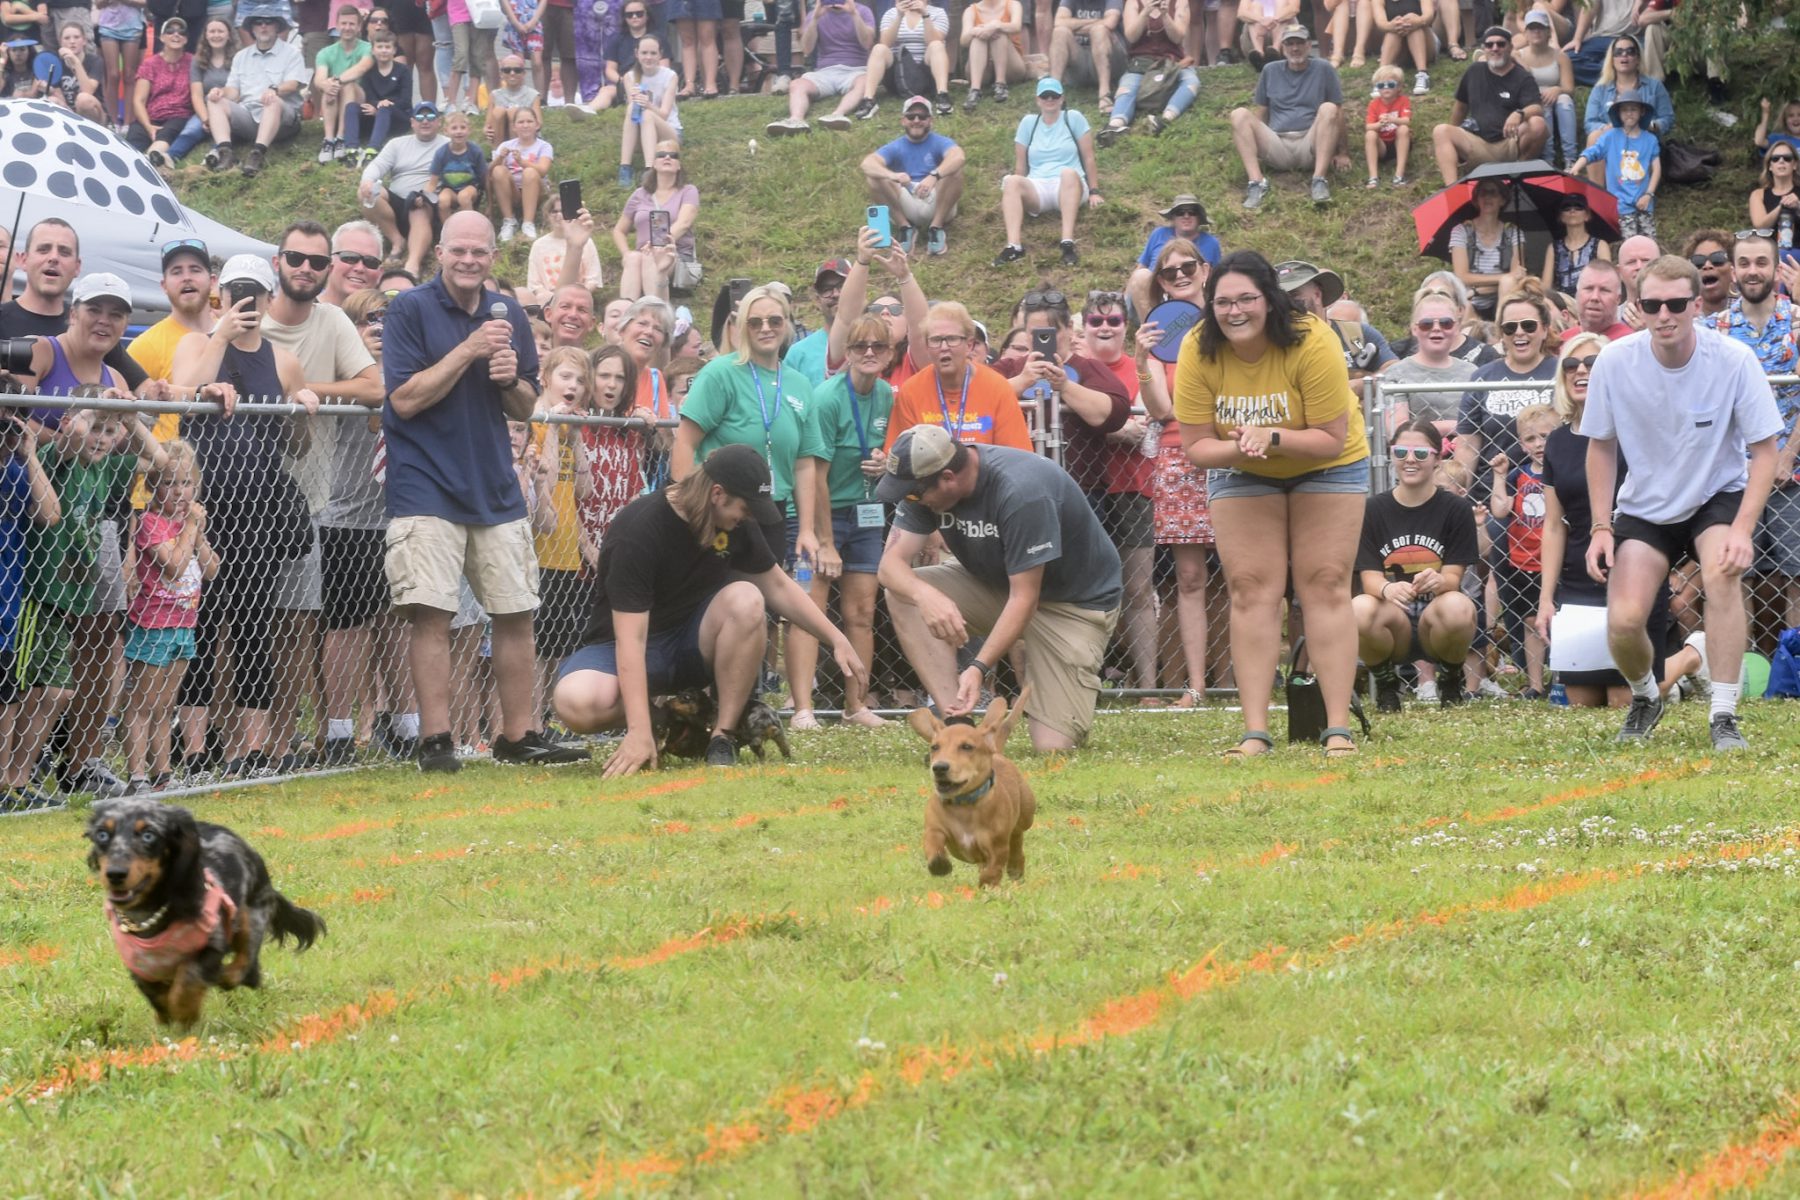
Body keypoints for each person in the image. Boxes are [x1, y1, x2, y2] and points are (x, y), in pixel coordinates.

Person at [381, 210, 588, 771]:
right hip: (425, 484)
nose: (469, 260)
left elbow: (526, 406)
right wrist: (470, 351)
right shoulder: (410, 310)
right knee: (432, 614)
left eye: (480, 252)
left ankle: (518, 736)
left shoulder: (511, 317)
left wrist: (509, 381)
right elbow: (403, 399)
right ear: (440, 252)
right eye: (459, 251)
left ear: (494, 256)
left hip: (494, 483)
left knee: (516, 610)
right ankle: (437, 740)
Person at [552, 445, 865, 774]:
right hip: (627, 647)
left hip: (693, 644)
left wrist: (837, 639)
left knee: (747, 597)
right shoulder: (639, 530)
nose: (747, 517)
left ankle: (723, 736)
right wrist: (639, 730)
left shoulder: (734, 522)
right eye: (744, 508)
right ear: (717, 493)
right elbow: (632, 640)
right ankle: (674, 722)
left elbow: (777, 585)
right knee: (575, 702)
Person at [1172, 249, 1371, 759]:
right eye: (1222, 302)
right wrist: (1244, 446)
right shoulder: (1198, 348)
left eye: (1246, 300)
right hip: (1242, 466)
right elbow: (1196, 447)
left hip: (1328, 462)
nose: (1234, 311)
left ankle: (1338, 729)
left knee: (1324, 582)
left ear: (1270, 300)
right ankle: (1254, 732)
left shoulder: (1312, 339)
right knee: (1249, 588)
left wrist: (1273, 436)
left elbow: (1330, 437)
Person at [1584, 255, 1784, 750]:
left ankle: (1723, 715)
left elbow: (1764, 452)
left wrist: (1741, 529)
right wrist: (1600, 528)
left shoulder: (1734, 359)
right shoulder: (1613, 361)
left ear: (1697, 305)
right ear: (1639, 307)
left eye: (1676, 303)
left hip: (1715, 496)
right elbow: (1601, 446)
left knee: (1722, 574)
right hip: (1646, 505)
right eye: (1652, 304)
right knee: (1625, 620)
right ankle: (1646, 696)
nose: (1665, 315)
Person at [878, 423, 1123, 751]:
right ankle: (958, 726)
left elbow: (1025, 598)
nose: (909, 500)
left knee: (1053, 750)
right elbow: (889, 567)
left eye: (913, 494)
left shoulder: (1022, 491)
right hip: (998, 586)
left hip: (1072, 606)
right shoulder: (926, 484)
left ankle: (1065, 684)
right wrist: (926, 595)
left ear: (948, 477)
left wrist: (978, 667)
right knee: (902, 593)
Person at [785, 313, 894, 730]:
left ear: (888, 354)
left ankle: (857, 705)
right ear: (846, 353)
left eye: (878, 347)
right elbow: (817, 474)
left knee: (862, 610)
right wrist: (824, 540)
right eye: (860, 346)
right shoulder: (828, 398)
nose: (869, 353)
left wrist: (886, 461)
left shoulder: (885, 395)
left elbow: (891, 449)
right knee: (808, 609)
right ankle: (802, 709)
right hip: (817, 515)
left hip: (866, 514)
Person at [673, 285, 824, 576]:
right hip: (720, 507)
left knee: (767, 601)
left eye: (775, 321)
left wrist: (806, 529)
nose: (765, 328)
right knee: (719, 597)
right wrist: (686, 510)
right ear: (742, 327)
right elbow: (685, 441)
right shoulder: (721, 373)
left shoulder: (800, 384)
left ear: (787, 324)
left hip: (771, 509)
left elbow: (805, 464)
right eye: (755, 322)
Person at [1355, 418, 1480, 710]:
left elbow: (1453, 577)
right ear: (1391, 455)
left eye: (1421, 453)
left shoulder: (1456, 509)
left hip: (1434, 621)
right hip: (1393, 621)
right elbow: (1370, 579)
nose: (1410, 460)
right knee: (1359, 608)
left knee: (1459, 606)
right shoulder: (1373, 510)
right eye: (1401, 452)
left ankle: (1450, 679)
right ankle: (1387, 684)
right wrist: (1387, 589)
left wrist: (1439, 581)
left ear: (1437, 458)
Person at [1711, 233, 1800, 642]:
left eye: (1761, 262)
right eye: (1744, 263)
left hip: (1793, 474)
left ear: (1775, 267)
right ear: (1732, 270)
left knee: (1798, 573)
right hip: (1734, 474)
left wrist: (1785, 456)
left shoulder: (1797, 321)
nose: (1752, 271)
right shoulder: (1713, 331)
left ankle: (1795, 666)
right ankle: (1741, 669)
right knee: (1736, 572)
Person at [1140, 237, 1217, 706]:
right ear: (1160, 282)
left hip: (1234, 454)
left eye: (1188, 266)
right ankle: (1196, 687)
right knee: (1189, 579)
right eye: (1169, 272)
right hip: (1177, 456)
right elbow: (1161, 408)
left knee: (1250, 574)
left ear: (1205, 269)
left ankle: (1259, 677)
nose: (1180, 275)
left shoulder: (1229, 322)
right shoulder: (1155, 333)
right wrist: (1139, 359)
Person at [121, 440, 219, 793]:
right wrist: (191, 527)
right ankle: (137, 776)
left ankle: (163, 773)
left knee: (165, 705)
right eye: (169, 483)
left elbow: (210, 570)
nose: (179, 491)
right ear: (152, 486)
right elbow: (175, 568)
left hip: (183, 625)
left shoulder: (189, 525)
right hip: (152, 626)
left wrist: (199, 532)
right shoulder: (150, 523)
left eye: (186, 483)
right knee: (143, 704)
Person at [0, 408, 63, 813]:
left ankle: (3, 782)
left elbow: (50, 514)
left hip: (7, 600)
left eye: (12, 420)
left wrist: (29, 453)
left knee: (7, 694)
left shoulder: (18, 470)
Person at [887, 299, 1033, 451]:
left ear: (969, 345)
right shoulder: (911, 391)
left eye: (952, 339)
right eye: (936, 340)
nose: (944, 347)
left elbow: (1017, 457)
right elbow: (899, 457)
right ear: (927, 347)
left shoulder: (998, 387)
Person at [1230, 23, 1345, 210]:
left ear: (1309, 45)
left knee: (1329, 108)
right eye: (1289, 43)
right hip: (1277, 143)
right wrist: (1253, 143)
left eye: (1299, 43)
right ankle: (1256, 183)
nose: (1295, 48)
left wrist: (1342, 153)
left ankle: (1319, 180)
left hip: (1310, 144)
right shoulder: (1270, 70)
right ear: (1282, 48)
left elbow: (1338, 114)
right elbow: (1261, 112)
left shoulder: (1324, 68)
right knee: (1239, 114)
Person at [1454, 284, 1557, 489]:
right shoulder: (1483, 377)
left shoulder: (1561, 373)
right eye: (1510, 327)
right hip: (1493, 493)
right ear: (1501, 334)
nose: (1519, 332)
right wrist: (1459, 492)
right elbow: (1467, 445)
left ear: (1545, 329)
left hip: (1552, 489)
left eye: (1528, 325)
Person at [1486, 402, 1557, 697]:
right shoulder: (1519, 475)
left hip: (1557, 560)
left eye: (1546, 436)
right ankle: (1536, 684)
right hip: (1525, 560)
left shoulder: (1564, 472)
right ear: (1521, 444)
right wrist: (1500, 476)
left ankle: (1565, 677)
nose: (1539, 444)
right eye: (1531, 438)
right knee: (1530, 620)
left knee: (1562, 620)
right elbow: (1500, 510)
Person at [993, 77, 1102, 269]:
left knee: (1068, 172)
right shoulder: (1028, 123)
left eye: (1054, 95)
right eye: (1045, 96)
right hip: (1038, 185)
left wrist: (1094, 191)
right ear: (1038, 100)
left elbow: (1089, 157)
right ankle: (1014, 246)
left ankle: (1067, 242)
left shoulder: (1073, 117)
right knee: (1012, 181)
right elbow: (1020, 165)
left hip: (1070, 185)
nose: (1049, 99)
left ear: (1062, 98)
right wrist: (1015, 195)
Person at [1430, 26, 1546, 186]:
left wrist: (1519, 114)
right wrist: (1454, 142)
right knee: (1441, 131)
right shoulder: (1474, 71)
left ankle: (1519, 174)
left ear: (1510, 47)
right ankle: (1452, 189)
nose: (1495, 48)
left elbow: (1537, 108)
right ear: (1483, 49)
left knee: (1538, 124)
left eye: (1501, 44)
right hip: (1477, 143)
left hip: (1510, 142)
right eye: (1489, 45)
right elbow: (1460, 107)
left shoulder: (1523, 77)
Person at [202, 4, 309, 177]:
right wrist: (220, 92)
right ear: (252, 28)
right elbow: (233, 91)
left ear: (277, 26)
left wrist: (275, 89)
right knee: (213, 100)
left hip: (284, 120)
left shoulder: (291, 53)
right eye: (258, 22)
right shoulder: (241, 56)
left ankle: (257, 153)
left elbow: (294, 84)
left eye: (269, 22)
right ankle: (225, 153)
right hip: (249, 117)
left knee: (271, 99)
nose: (263, 26)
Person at [860, 94, 965, 256]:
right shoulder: (895, 146)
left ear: (930, 120)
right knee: (874, 177)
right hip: (907, 200)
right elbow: (868, 163)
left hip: (936, 200)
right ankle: (905, 227)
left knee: (955, 171)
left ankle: (936, 228)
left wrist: (934, 176)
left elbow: (958, 156)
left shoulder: (940, 142)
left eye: (922, 116)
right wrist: (893, 176)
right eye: (911, 116)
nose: (916, 120)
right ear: (903, 120)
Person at [358, 102, 450, 281]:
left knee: (419, 207)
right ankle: (397, 241)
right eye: (420, 117)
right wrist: (367, 182)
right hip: (396, 201)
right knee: (365, 193)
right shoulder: (397, 144)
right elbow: (377, 166)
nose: (425, 121)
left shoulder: (448, 145)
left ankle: (412, 265)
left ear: (438, 121)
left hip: (426, 201)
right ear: (412, 122)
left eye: (430, 117)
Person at [1275, 259, 1395, 383]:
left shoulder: (1356, 333)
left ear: (1317, 295)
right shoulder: (1269, 341)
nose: (1286, 303)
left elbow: (1395, 369)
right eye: (1280, 297)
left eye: (1294, 295)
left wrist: (1358, 386)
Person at [766, 0, 875, 136]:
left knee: (865, 82)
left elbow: (867, 43)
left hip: (856, 70)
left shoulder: (863, 11)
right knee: (797, 84)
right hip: (825, 71)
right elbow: (806, 49)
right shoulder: (816, 14)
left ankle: (837, 115)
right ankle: (795, 119)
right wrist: (815, 19)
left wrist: (854, 14)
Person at [1095, 0, 1197, 143]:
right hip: (1141, 61)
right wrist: (1145, 12)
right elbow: (1131, 36)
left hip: (1172, 60)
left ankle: (1165, 119)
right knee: (1128, 87)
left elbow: (1178, 37)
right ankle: (1115, 125)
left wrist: (1165, 15)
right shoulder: (1133, 2)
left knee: (1191, 82)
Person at [1381, 287, 1478, 432]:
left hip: (1465, 451)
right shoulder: (1395, 374)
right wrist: (1456, 426)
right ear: (1414, 329)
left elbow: (1484, 425)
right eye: (1427, 324)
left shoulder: (1473, 372)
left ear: (1457, 328)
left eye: (1446, 323)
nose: (1436, 328)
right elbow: (1397, 430)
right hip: (1415, 453)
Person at [1568, 91, 1660, 241]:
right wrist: (1576, 167)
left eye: (1633, 109)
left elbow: (1656, 169)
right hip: (1621, 204)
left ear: (1642, 112)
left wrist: (1649, 194)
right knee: (1629, 243)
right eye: (1624, 109)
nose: (1629, 114)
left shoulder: (1650, 139)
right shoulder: (1611, 136)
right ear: (1618, 113)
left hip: (1644, 202)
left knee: (1649, 243)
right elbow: (1592, 152)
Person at [615, 139, 699, 300]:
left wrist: (658, 243)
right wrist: (625, 253)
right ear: (653, 163)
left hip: (674, 253)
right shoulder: (640, 194)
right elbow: (619, 230)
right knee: (633, 258)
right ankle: (626, 313)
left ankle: (657, 314)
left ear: (679, 165)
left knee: (650, 256)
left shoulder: (688, 191)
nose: (667, 157)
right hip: (643, 253)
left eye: (673, 155)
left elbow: (684, 223)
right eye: (661, 155)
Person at [1124, 194, 1220, 316]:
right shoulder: (1158, 234)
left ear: (1199, 218)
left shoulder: (1211, 243)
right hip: (1156, 297)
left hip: (1194, 296)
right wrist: (1123, 301)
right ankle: (1151, 329)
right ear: (1173, 217)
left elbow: (1216, 279)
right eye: (1180, 212)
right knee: (1141, 275)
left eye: (1192, 212)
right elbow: (1141, 267)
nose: (1186, 216)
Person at [129, 18, 207, 167]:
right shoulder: (150, 64)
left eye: (181, 32)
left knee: (166, 134)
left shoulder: (194, 62)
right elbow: (138, 100)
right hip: (151, 115)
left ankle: (148, 164)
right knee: (133, 141)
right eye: (170, 31)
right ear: (162, 37)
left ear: (186, 39)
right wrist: (148, 126)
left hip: (178, 115)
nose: (176, 35)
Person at [856, 0, 950, 118]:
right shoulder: (891, 13)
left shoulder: (938, 13)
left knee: (936, 45)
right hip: (898, 74)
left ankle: (942, 95)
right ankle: (868, 99)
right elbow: (886, 42)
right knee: (879, 48)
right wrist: (899, 16)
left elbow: (934, 39)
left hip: (927, 71)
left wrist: (925, 15)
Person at [1448, 177, 1526, 320]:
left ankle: (1502, 333)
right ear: (1476, 200)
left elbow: (1518, 278)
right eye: (1483, 193)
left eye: (1493, 193)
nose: (1487, 197)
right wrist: (1503, 278)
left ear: (1502, 200)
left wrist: (1479, 290)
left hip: (1504, 298)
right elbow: (1462, 276)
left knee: (1509, 283)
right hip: (1469, 300)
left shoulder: (1513, 232)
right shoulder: (1461, 231)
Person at [1577, 32, 1672, 145]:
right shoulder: (1600, 89)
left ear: (1638, 59)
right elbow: (1590, 122)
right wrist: (1608, 128)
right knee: (1594, 137)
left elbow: (1668, 118)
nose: (1624, 55)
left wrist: (1650, 125)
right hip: (1612, 142)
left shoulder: (1655, 86)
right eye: (1618, 52)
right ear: (1611, 60)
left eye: (1630, 51)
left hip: (1644, 141)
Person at [1512, 9, 1576, 167]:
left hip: (1556, 98)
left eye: (1540, 28)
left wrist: (1557, 89)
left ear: (1548, 32)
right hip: (1532, 101)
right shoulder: (1518, 56)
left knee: (1565, 100)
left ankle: (1570, 158)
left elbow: (1569, 88)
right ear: (1525, 33)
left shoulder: (1560, 56)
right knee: (1542, 104)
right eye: (1532, 28)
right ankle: (1548, 159)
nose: (1536, 32)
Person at [616, 35, 681, 186]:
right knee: (633, 107)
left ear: (660, 54)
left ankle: (650, 170)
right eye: (644, 53)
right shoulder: (630, 77)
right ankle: (625, 167)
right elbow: (634, 115)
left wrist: (648, 105)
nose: (648, 57)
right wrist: (640, 104)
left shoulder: (670, 76)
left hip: (668, 132)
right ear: (636, 54)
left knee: (647, 114)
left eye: (653, 53)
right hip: (641, 134)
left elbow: (664, 114)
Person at [312, 4, 373, 164]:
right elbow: (319, 78)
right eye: (344, 23)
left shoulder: (367, 48)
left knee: (347, 84)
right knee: (328, 85)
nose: (347, 28)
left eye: (352, 24)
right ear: (337, 25)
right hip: (333, 100)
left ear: (359, 27)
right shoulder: (325, 53)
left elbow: (361, 68)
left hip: (358, 102)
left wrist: (336, 81)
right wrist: (327, 85)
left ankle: (341, 137)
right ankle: (329, 140)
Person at [489, 105, 553, 244]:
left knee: (530, 172)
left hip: (536, 190)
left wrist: (522, 162)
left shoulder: (544, 146)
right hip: (513, 191)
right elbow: (489, 172)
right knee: (498, 170)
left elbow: (543, 170)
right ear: (514, 127)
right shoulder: (506, 145)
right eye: (521, 122)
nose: (525, 125)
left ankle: (528, 223)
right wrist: (500, 158)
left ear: (537, 125)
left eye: (529, 122)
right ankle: (509, 221)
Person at [783, 258, 850, 387]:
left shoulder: (875, 345)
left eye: (842, 286)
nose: (835, 294)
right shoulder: (798, 354)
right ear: (817, 300)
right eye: (826, 289)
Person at [1049, 0, 1124, 113]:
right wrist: (1097, 22)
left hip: (1110, 61)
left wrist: (1074, 25)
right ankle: (1053, 92)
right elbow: (1059, 22)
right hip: (1080, 60)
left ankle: (1104, 94)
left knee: (1099, 30)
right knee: (1060, 32)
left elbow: (1110, 23)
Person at [526, 196, 603, 306]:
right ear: (547, 215)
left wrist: (577, 295)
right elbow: (535, 284)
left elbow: (593, 279)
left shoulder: (587, 242)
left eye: (563, 211)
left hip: (578, 297)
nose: (559, 215)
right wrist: (552, 298)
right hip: (547, 300)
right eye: (554, 211)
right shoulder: (538, 245)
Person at [349, 27, 412, 159]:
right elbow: (369, 96)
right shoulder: (369, 71)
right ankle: (351, 148)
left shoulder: (403, 70)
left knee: (385, 108)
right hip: (374, 113)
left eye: (387, 47)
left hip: (398, 118)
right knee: (351, 107)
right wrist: (377, 105)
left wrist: (384, 106)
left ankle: (373, 149)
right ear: (373, 50)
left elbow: (405, 100)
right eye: (380, 47)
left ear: (394, 50)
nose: (383, 50)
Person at [959, 0, 1028, 109]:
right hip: (983, 69)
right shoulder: (971, 10)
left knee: (998, 33)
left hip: (1010, 66)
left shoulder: (1012, 4)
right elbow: (963, 40)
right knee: (978, 37)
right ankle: (974, 90)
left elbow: (1016, 26)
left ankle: (1000, 84)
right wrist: (975, 31)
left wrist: (997, 25)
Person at [426, 110, 488, 226]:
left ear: (469, 130)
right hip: (449, 188)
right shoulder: (441, 153)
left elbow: (485, 178)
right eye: (454, 128)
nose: (458, 132)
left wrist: (489, 204)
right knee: (443, 200)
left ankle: (470, 227)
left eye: (462, 128)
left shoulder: (475, 151)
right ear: (446, 131)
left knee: (463, 196)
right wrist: (424, 197)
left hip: (471, 189)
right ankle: (448, 231)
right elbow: (432, 183)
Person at [1541, 193, 1609, 295]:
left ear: (1587, 215)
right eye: (1566, 208)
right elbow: (1545, 287)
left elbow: (1607, 280)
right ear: (1561, 217)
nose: (1572, 211)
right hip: (1562, 304)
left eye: (1578, 207)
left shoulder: (1600, 245)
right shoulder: (1553, 248)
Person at [1748, 141, 1800, 267]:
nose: (1781, 161)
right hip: (1769, 254)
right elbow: (1760, 225)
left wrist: (1798, 207)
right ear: (1770, 166)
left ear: (1794, 165)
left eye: (1787, 158)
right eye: (1775, 159)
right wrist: (1780, 207)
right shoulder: (1758, 194)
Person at [1363, 63, 1411, 187]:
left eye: (1390, 84)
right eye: (1381, 85)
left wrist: (1393, 119)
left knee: (1404, 129)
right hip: (1382, 146)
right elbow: (1368, 127)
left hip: (1399, 142)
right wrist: (1379, 124)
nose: (1386, 88)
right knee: (1370, 134)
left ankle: (1399, 175)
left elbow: (1407, 121)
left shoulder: (1403, 100)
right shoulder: (1374, 104)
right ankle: (1373, 177)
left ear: (1399, 87)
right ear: (1377, 88)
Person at [1372, 0, 1434, 97]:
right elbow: (1380, 22)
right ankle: (1381, 77)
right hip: (1397, 45)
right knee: (1393, 31)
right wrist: (1393, 25)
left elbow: (1429, 14)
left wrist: (1418, 21)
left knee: (1414, 27)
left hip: (1424, 42)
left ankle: (1423, 73)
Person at [1562, 259, 1634, 342]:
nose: (1595, 297)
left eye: (1604, 290)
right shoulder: (1562, 342)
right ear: (1577, 294)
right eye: (1589, 288)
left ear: (1618, 299)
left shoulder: (1630, 343)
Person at [486, 52, 542, 146]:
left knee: (514, 112)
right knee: (498, 111)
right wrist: (487, 130)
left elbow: (539, 123)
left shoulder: (533, 94)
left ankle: (516, 152)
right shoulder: (494, 95)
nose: (512, 73)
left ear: (524, 73)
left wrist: (524, 123)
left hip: (525, 136)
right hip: (501, 134)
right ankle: (497, 153)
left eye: (517, 70)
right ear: (501, 74)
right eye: (507, 70)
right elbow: (488, 124)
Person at [1685, 229, 1736, 319]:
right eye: (1698, 261)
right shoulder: (1683, 316)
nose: (1707, 266)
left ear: (1734, 267)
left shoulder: (1750, 312)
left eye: (1717, 259)